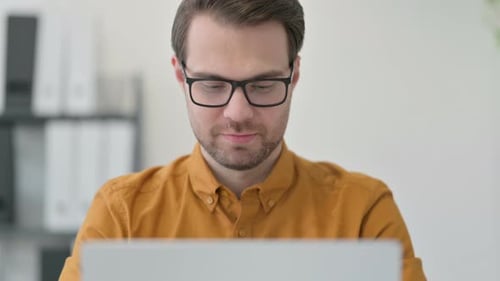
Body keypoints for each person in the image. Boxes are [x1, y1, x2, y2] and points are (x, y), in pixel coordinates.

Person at [59, 0, 426, 280]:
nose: (237, 112)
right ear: (180, 75)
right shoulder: (121, 215)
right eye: (213, 85)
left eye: (263, 85)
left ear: (294, 74)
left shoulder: (363, 213)